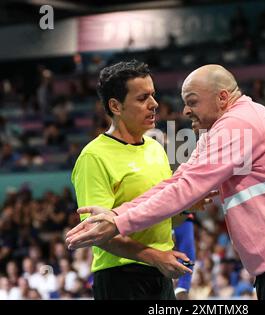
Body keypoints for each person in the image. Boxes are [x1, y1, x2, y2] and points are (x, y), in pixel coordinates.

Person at [66, 64, 265, 300]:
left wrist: (118, 221)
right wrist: (116, 215)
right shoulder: (221, 129)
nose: (185, 110)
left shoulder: (239, 124)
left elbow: (186, 187)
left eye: (193, 101)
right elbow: (182, 180)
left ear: (222, 98)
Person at [71, 60, 195, 300]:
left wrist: (189, 204)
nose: (154, 104)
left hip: (161, 272)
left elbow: (161, 213)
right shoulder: (93, 156)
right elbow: (97, 232)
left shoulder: (155, 149)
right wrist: (154, 256)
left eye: (153, 95)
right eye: (142, 98)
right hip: (121, 277)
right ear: (115, 106)